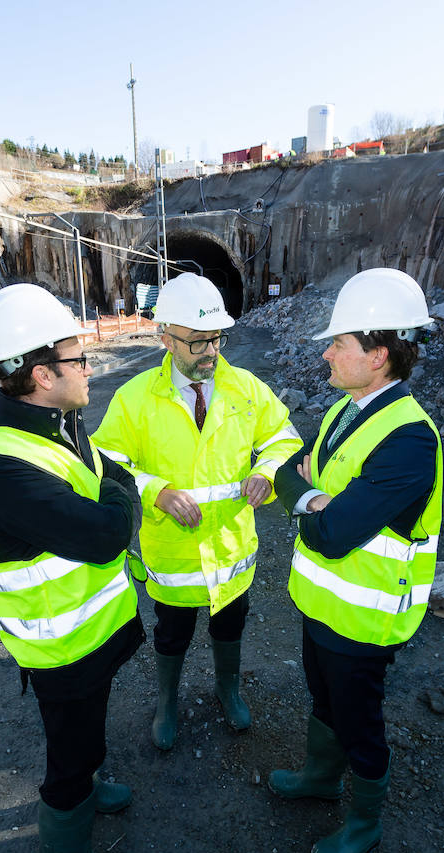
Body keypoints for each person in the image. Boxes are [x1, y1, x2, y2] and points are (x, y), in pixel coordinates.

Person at [0, 284, 143, 853]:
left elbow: (102, 476)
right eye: (77, 359)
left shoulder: (56, 425)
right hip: (61, 651)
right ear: (41, 374)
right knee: (69, 753)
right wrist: (125, 487)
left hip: (91, 634)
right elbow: (109, 531)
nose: (89, 369)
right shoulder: (8, 474)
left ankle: (90, 782)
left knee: (88, 736)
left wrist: (114, 480)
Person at [268, 269, 442, 853]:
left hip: (364, 617)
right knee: (323, 697)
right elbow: (293, 470)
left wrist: (312, 504)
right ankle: (321, 778)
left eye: (338, 343)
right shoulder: (350, 409)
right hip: (323, 604)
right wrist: (310, 497)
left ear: (379, 355)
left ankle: (363, 823)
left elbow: (336, 533)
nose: (326, 353)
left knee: (359, 721)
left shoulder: (410, 439)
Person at [92, 273, 300, 750]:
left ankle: (228, 687)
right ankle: (168, 700)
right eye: (197, 342)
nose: (211, 352)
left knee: (231, 622)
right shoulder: (135, 398)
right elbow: (107, 463)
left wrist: (266, 472)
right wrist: (157, 491)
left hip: (231, 548)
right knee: (172, 631)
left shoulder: (245, 388)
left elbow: (282, 437)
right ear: (165, 338)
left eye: (217, 339)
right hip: (174, 553)